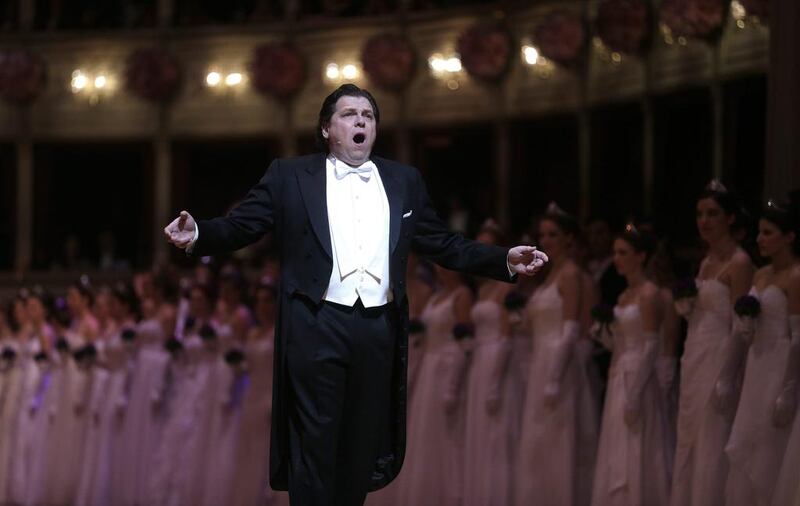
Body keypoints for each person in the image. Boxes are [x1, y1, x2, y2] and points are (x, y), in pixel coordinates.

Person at [164, 83, 548, 505]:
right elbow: (242, 225)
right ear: (327, 128)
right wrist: (198, 232)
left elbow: (443, 243)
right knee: (314, 444)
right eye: (349, 114)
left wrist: (503, 261)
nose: (361, 119)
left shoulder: (404, 180)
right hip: (316, 323)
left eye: (368, 114)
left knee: (360, 447)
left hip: (378, 327)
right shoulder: (290, 176)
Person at [669, 181, 753, 506]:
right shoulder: (705, 262)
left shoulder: (740, 262)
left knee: (712, 441)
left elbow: (740, 324)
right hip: (694, 355)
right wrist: (687, 308)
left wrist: (727, 376)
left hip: (719, 357)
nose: (704, 220)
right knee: (690, 439)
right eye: (700, 214)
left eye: (712, 214)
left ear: (730, 218)